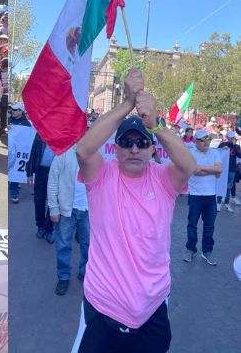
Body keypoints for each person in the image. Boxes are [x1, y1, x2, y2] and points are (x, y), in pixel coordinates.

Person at [71, 68, 196, 353]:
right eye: (127, 143)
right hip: (103, 306)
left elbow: (189, 166)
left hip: (152, 306)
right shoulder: (102, 175)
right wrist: (128, 103)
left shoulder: (163, 178)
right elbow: (83, 150)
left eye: (142, 143)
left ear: (153, 149)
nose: (134, 149)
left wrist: (156, 124)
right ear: (116, 148)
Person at [48, 146, 90, 296]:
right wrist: (53, 208)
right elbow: (52, 180)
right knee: (63, 245)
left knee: (89, 245)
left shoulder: (95, 154)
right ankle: (63, 277)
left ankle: (85, 273)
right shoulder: (63, 154)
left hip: (88, 211)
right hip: (67, 210)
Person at [184, 128, 222, 265]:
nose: (206, 143)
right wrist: (210, 170)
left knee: (209, 226)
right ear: (196, 141)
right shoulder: (190, 153)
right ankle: (191, 250)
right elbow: (193, 170)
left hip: (211, 196)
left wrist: (202, 168)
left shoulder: (215, 152)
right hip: (195, 195)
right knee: (192, 225)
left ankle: (207, 252)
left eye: (208, 140)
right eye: (203, 141)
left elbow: (219, 170)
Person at [218, 130, 240, 208]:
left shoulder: (237, 146)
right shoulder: (222, 144)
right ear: (227, 137)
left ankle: (227, 203)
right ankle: (218, 202)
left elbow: (239, 155)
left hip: (232, 168)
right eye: (230, 138)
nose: (231, 139)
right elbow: (218, 153)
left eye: (233, 138)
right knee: (221, 184)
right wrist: (223, 148)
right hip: (223, 168)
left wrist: (234, 146)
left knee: (229, 186)